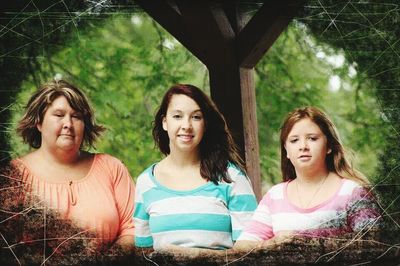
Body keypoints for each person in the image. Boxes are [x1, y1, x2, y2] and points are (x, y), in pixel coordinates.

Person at [13, 79, 135, 249]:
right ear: (38, 122)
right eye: (59, 115)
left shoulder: (112, 168)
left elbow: (133, 228)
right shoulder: (13, 176)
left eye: (76, 117)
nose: (68, 124)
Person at [235, 106, 381, 247]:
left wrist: (298, 239)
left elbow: (374, 244)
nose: (303, 146)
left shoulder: (354, 192)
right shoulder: (274, 196)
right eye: (294, 140)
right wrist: (273, 243)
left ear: (329, 145)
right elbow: (242, 245)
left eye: (312, 138)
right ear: (286, 150)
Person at [134, 84, 257, 250]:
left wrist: (194, 257)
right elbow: (143, 254)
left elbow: (249, 253)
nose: (186, 125)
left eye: (196, 117)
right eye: (177, 116)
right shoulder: (145, 183)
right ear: (164, 122)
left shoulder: (231, 177)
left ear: (205, 125)